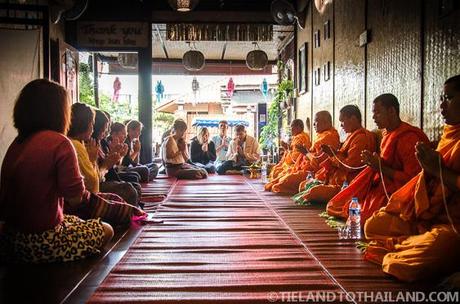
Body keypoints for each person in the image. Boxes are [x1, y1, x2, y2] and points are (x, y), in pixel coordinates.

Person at [0, 79, 113, 263]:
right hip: (39, 241)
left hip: (10, 237)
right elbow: (76, 198)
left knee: (77, 222)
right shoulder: (59, 142)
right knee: (107, 229)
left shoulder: (18, 142)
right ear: (59, 111)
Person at [363, 75, 460, 282]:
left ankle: (408, 245)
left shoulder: (408, 137)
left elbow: (410, 177)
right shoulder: (449, 135)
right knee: (371, 225)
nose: (442, 105)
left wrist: (437, 170)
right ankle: (411, 240)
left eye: (449, 98)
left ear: (392, 111)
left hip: (451, 224)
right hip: (420, 211)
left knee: (408, 262)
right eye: (441, 98)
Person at [327, 94, 430, 223]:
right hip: (378, 186)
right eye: (373, 113)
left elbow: (414, 180)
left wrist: (379, 166)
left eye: (377, 112)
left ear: (391, 111)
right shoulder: (387, 134)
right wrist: (375, 163)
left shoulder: (408, 137)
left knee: (361, 219)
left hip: (398, 193)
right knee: (337, 205)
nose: (373, 117)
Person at [293, 105, 376, 204]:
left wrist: (330, 155)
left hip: (348, 182)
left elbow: (349, 166)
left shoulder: (360, 138)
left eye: (342, 121)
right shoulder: (351, 136)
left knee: (312, 192)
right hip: (330, 177)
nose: (340, 125)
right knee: (303, 186)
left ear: (353, 119)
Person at [265, 112, 340, 194]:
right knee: (279, 176)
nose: (314, 124)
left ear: (326, 122)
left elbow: (319, 162)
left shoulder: (329, 137)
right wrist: (288, 148)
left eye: (316, 121)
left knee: (281, 181)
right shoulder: (320, 136)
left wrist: (305, 153)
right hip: (303, 167)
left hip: (316, 172)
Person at [91, 110, 140, 206]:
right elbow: (93, 180)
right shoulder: (93, 143)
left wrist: (118, 155)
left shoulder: (101, 142)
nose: (107, 131)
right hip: (99, 183)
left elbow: (119, 165)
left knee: (134, 183)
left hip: (105, 176)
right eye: (105, 128)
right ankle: (131, 212)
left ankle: (134, 209)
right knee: (130, 187)